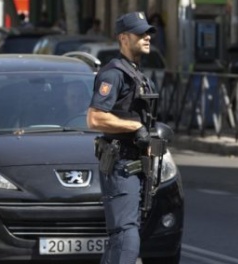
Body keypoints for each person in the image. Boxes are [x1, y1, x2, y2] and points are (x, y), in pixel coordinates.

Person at [86, 11, 157, 264]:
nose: (147, 37)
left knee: (122, 237)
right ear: (124, 38)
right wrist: (135, 127)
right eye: (140, 33)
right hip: (121, 165)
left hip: (135, 166)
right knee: (127, 238)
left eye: (148, 32)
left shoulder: (136, 74)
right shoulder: (114, 73)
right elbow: (94, 118)